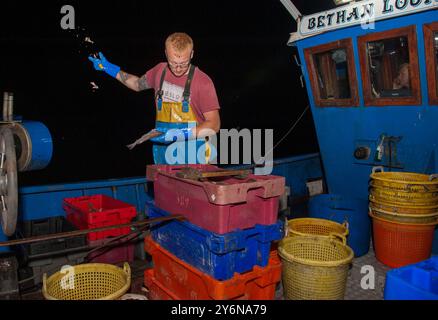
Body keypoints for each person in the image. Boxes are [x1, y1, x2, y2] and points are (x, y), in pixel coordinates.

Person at [88, 32, 221, 164]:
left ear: (192, 54)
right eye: (173, 63)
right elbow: (136, 84)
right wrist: (109, 68)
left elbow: (214, 125)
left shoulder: (203, 82)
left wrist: (179, 135)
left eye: (184, 63)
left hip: (193, 155)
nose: (178, 68)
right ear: (165, 53)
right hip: (162, 153)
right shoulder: (159, 71)